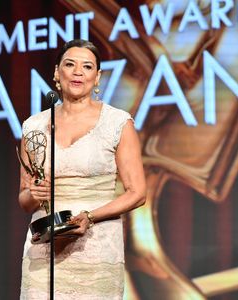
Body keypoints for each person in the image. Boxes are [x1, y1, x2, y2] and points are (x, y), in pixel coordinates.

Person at [18, 39, 146, 299]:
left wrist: (90, 216)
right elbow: (24, 200)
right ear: (57, 73)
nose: (78, 72)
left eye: (87, 67)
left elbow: (137, 193)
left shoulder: (117, 122)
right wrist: (34, 193)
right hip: (44, 251)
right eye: (70, 64)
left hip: (96, 247)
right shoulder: (33, 126)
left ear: (96, 77)